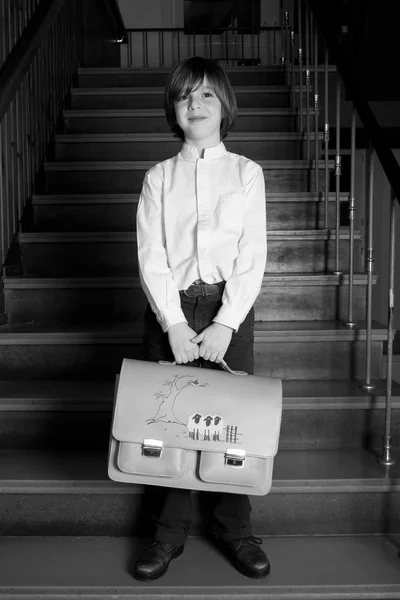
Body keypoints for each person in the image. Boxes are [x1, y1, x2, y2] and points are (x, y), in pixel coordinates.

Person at [135, 56, 268, 581]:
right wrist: (172, 321)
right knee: (170, 422)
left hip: (226, 309)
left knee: (233, 423)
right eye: (186, 94)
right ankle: (168, 534)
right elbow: (151, 256)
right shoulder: (157, 178)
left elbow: (252, 254)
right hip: (171, 310)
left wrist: (226, 322)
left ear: (224, 106)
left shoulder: (246, 173)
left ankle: (234, 529)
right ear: (173, 107)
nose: (196, 103)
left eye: (207, 94)